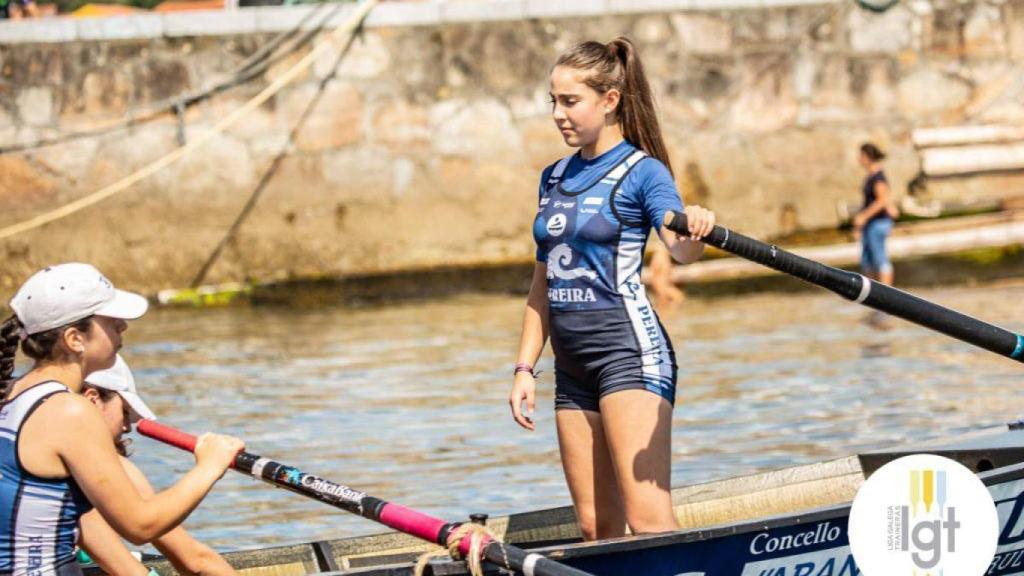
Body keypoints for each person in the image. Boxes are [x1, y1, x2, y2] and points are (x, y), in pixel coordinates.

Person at [508, 37, 716, 541]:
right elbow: (544, 282)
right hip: (572, 369)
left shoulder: (644, 172)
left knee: (647, 521)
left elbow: (679, 248)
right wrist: (523, 368)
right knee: (596, 530)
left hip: (630, 356)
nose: (558, 114)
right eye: (553, 101)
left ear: (610, 100)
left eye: (570, 101)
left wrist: (695, 233)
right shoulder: (553, 177)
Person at [0, 263, 243, 576]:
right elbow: (141, 526)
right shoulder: (68, 411)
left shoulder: (12, 393)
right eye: (111, 321)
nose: (123, 327)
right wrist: (210, 465)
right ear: (75, 339)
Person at [76, 355, 239, 576]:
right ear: (92, 399)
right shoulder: (102, 464)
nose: (126, 427)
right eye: (124, 412)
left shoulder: (29, 439)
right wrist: (210, 466)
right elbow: (196, 561)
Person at [852, 143, 895, 285]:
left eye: (861, 156)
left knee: (880, 259)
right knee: (868, 261)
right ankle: (872, 297)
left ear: (868, 157)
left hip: (878, 223)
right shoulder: (871, 176)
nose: (859, 159)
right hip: (871, 224)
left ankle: (887, 296)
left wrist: (863, 216)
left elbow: (882, 200)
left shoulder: (878, 177)